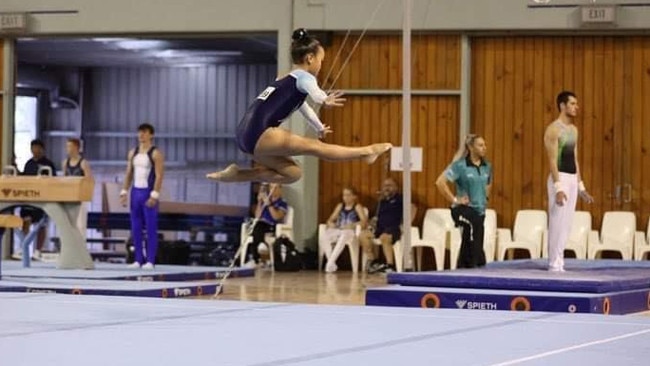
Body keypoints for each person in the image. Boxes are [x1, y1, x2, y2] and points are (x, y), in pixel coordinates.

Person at [207, 28, 392, 184]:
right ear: (310, 58)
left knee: (292, 174)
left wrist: (318, 126)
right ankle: (366, 152)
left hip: (245, 135)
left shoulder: (285, 79)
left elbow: (302, 106)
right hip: (259, 133)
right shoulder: (304, 77)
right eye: (321, 60)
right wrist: (324, 99)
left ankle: (237, 174)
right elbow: (315, 92)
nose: (321, 65)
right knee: (315, 147)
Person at [544, 91, 593, 272]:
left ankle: (560, 261)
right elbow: (552, 160)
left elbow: (575, 159)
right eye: (572, 103)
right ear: (563, 106)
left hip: (572, 178)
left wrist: (581, 186)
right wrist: (558, 187)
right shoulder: (553, 130)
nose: (576, 107)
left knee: (567, 223)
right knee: (557, 221)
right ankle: (553, 264)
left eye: (576, 103)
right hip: (560, 178)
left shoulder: (573, 130)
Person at [436, 134, 492, 269]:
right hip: (462, 209)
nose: (484, 148)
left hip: (479, 209)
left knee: (469, 235)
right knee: (475, 225)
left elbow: (488, 185)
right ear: (471, 148)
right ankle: (477, 262)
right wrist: (455, 200)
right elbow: (440, 182)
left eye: (485, 145)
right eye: (480, 145)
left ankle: (463, 265)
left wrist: (484, 200)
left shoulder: (487, 166)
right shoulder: (460, 166)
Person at [120, 123, 165, 269]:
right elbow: (128, 173)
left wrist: (155, 195)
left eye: (144, 132)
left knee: (151, 227)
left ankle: (150, 260)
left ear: (151, 135)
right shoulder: (132, 152)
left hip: (148, 192)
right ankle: (138, 259)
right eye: (139, 132)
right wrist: (124, 191)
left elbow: (159, 176)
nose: (141, 135)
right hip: (135, 192)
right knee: (136, 227)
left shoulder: (155, 153)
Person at [359, 178, 415, 274]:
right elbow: (376, 217)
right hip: (379, 228)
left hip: (393, 227)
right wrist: (372, 222)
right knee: (363, 235)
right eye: (385, 186)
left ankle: (390, 265)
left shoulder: (400, 198)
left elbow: (413, 208)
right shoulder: (381, 201)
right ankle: (373, 262)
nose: (386, 188)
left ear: (396, 187)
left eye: (389, 185)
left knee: (384, 237)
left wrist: (406, 225)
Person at [20, 139, 57, 258]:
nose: (35, 150)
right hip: (28, 197)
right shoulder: (28, 163)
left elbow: (53, 180)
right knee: (25, 221)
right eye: (33, 148)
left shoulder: (48, 164)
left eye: (37, 148)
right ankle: (24, 247)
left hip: (42, 198)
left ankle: (38, 250)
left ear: (42, 149)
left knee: (41, 224)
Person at [321, 186, 368, 273]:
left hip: (351, 231)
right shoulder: (340, 206)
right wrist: (331, 223)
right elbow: (330, 219)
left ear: (354, 196)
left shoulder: (357, 206)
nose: (346, 197)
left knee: (344, 235)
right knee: (325, 236)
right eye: (344, 195)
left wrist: (352, 225)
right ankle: (332, 263)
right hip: (339, 229)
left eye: (348, 195)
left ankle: (330, 263)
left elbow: (364, 222)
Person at [244, 183, 288, 268]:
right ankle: (257, 253)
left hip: (271, 226)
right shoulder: (265, 201)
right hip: (260, 225)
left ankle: (255, 259)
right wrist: (260, 202)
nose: (273, 190)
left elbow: (276, 217)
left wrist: (269, 205)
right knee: (256, 225)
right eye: (271, 187)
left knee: (257, 228)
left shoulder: (282, 203)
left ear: (280, 189)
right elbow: (257, 216)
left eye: (275, 187)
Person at [62, 138, 93, 244]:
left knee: (80, 225)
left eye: (70, 146)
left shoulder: (83, 163)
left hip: (80, 197)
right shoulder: (65, 163)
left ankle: (81, 247)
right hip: (68, 197)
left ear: (77, 148)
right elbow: (64, 179)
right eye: (67, 146)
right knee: (69, 224)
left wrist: (86, 195)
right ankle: (70, 246)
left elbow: (89, 180)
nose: (68, 149)